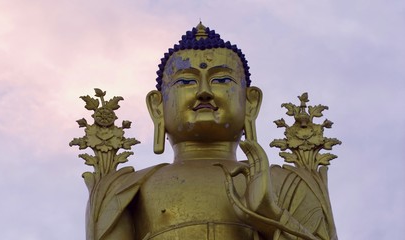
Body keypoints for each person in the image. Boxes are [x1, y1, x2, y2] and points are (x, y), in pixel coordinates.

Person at [85, 22, 336, 240]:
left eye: (222, 80)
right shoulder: (126, 189)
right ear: (157, 107)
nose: (204, 91)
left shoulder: (286, 184)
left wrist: (271, 215)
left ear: (251, 103)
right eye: (185, 81)